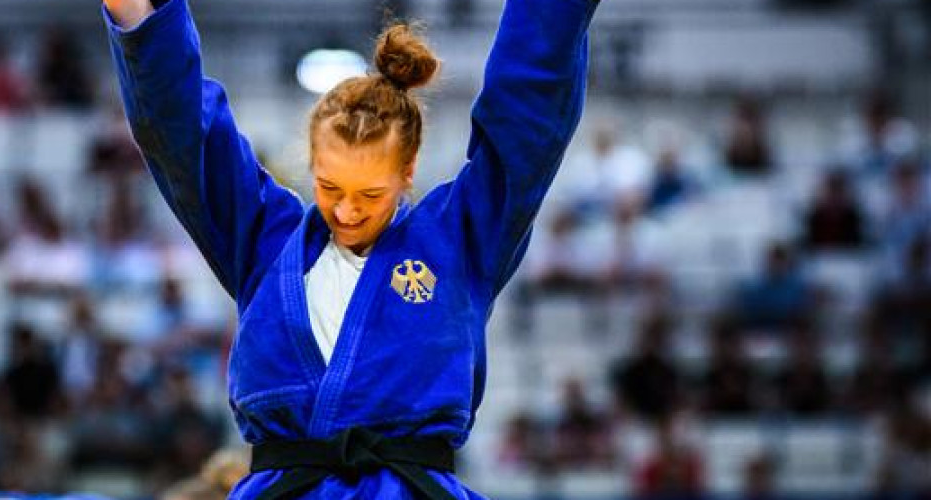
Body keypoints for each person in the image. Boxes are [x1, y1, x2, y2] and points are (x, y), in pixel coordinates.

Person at [102, 0, 596, 497]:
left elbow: (524, 128)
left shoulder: (458, 241)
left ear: (407, 173)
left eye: (370, 195)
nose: (347, 211)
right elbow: (187, 140)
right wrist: (138, 18)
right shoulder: (265, 242)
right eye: (330, 188)